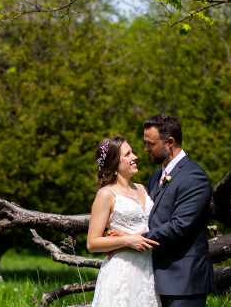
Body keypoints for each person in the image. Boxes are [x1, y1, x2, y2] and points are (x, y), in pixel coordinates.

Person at [142, 114, 215, 307]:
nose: (146, 149)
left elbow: (179, 226)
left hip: (184, 280)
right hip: (155, 277)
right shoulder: (156, 176)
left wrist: (138, 237)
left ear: (169, 142)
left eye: (150, 143)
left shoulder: (194, 176)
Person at [87, 135, 161, 307]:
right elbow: (92, 243)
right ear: (114, 162)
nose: (135, 157)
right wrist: (128, 240)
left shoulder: (143, 189)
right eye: (127, 154)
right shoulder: (106, 194)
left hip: (148, 270)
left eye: (132, 152)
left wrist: (125, 238)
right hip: (122, 271)